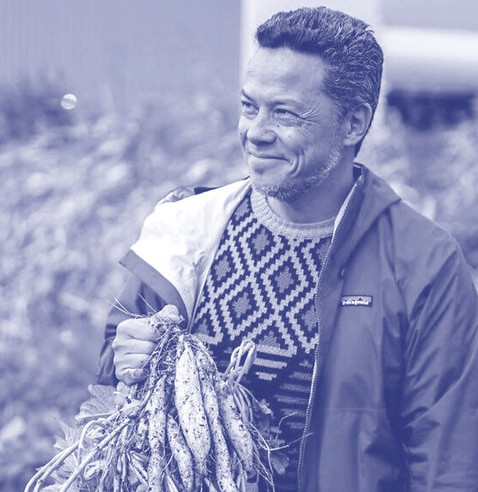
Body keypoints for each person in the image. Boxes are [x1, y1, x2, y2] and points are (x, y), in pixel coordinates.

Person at [96, 6, 478, 492]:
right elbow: (111, 394)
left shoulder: (424, 263)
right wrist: (126, 359)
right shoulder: (185, 232)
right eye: (249, 106)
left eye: (285, 113)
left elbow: (448, 463)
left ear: (353, 123)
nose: (256, 132)